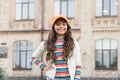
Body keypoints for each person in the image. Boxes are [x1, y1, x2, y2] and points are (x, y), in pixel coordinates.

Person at [32, 15, 82, 80]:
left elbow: (78, 64)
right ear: (54, 27)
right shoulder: (47, 43)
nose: (61, 26)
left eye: (64, 24)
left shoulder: (73, 43)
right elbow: (34, 57)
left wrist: (76, 79)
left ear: (67, 26)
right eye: (58, 24)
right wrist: (43, 67)